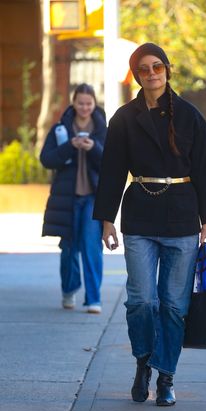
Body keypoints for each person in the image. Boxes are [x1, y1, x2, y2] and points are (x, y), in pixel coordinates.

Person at [93, 43, 206, 406]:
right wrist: (106, 220)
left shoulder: (190, 116)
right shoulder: (123, 118)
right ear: (136, 75)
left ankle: (166, 376)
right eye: (144, 69)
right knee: (142, 302)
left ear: (167, 69)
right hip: (139, 215)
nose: (151, 74)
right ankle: (143, 363)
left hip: (182, 217)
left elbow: (205, 171)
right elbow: (112, 171)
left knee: (172, 305)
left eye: (157, 67)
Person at [40, 83, 107, 314]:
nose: (85, 107)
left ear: (94, 103)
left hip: (92, 198)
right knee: (68, 248)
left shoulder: (102, 129)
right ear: (73, 102)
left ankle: (94, 298)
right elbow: (46, 159)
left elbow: (112, 163)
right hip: (67, 198)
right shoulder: (61, 129)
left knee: (91, 246)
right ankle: (69, 290)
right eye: (80, 103)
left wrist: (93, 148)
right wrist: (70, 146)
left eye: (89, 103)